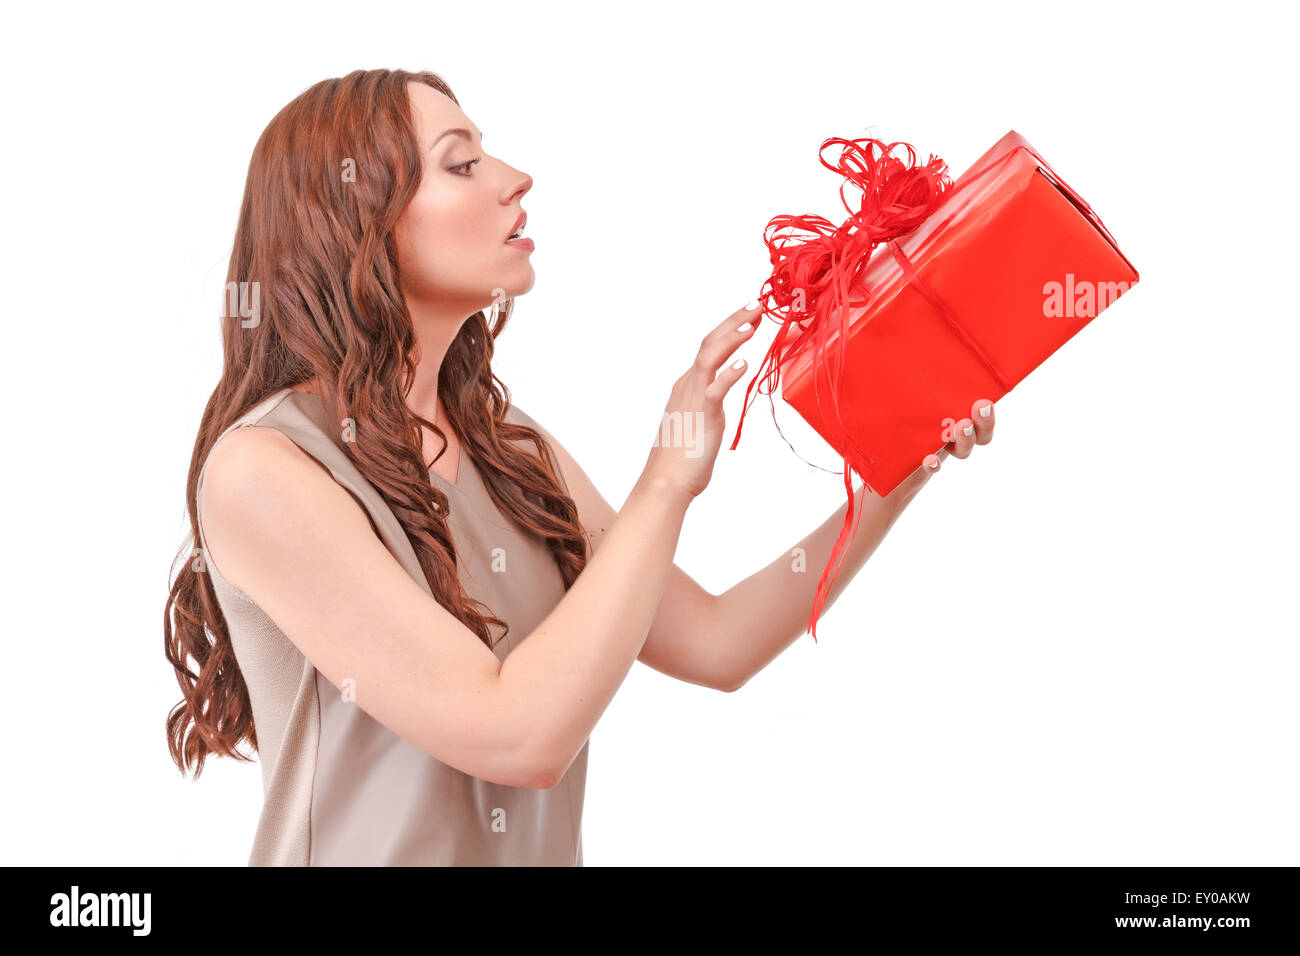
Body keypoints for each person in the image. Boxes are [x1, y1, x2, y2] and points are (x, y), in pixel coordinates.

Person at [163, 68, 996, 866]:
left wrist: (899, 468)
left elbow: (717, 643)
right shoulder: (264, 470)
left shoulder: (510, 449)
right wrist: (665, 482)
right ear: (357, 218)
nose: (516, 178)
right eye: (462, 164)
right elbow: (516, 736)